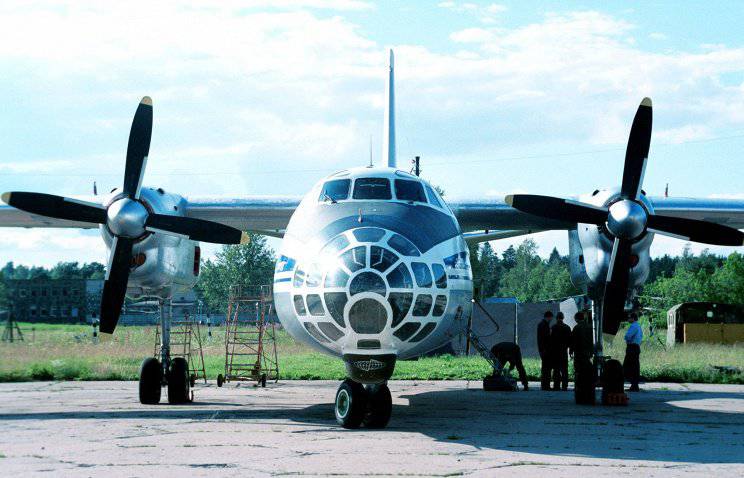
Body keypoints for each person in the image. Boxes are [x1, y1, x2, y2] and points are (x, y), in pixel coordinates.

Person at [571, 311, 595, 403]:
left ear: (577, 319)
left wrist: (571, 351)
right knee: (587, 370)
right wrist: (591, 352)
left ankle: (579, 386)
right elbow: (592, 340)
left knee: (578, 371)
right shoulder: (589, 327)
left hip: (579, 353)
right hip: (587, 353)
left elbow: (573, 341)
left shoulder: (576, 328)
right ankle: (587, 385)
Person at [549, 312, 572, 391]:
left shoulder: (553, 327)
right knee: (564, 369)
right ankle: (565, 386)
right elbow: (570, 340)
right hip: (563, 351)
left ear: (556, 318)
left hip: (555, 352)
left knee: (556, 369)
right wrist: (570, 350)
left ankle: (556, 386)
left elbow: (550, 340)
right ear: (563, 318)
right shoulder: (567, 327)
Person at [623, 313, 643, 392]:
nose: (628, 319)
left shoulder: (633, 326)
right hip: (636, 347)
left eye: (629, 317)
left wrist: (627, 340)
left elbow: (627, 336)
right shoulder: (638, 326)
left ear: (633, 318)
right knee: (635, 366)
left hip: (632, 347)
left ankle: (632, 384)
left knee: (628, 366)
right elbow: (641, 336)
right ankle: (634, 385)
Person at [537, 310, 553, 390]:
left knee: (545, 368)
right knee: (547, 368)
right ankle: (546, 386)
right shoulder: (545, 325)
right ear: (549, 317)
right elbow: (546, 338)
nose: (551, 320)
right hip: (546, 350)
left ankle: (544, 385)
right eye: (551, 318)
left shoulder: (541, 324)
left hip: (543, 349)